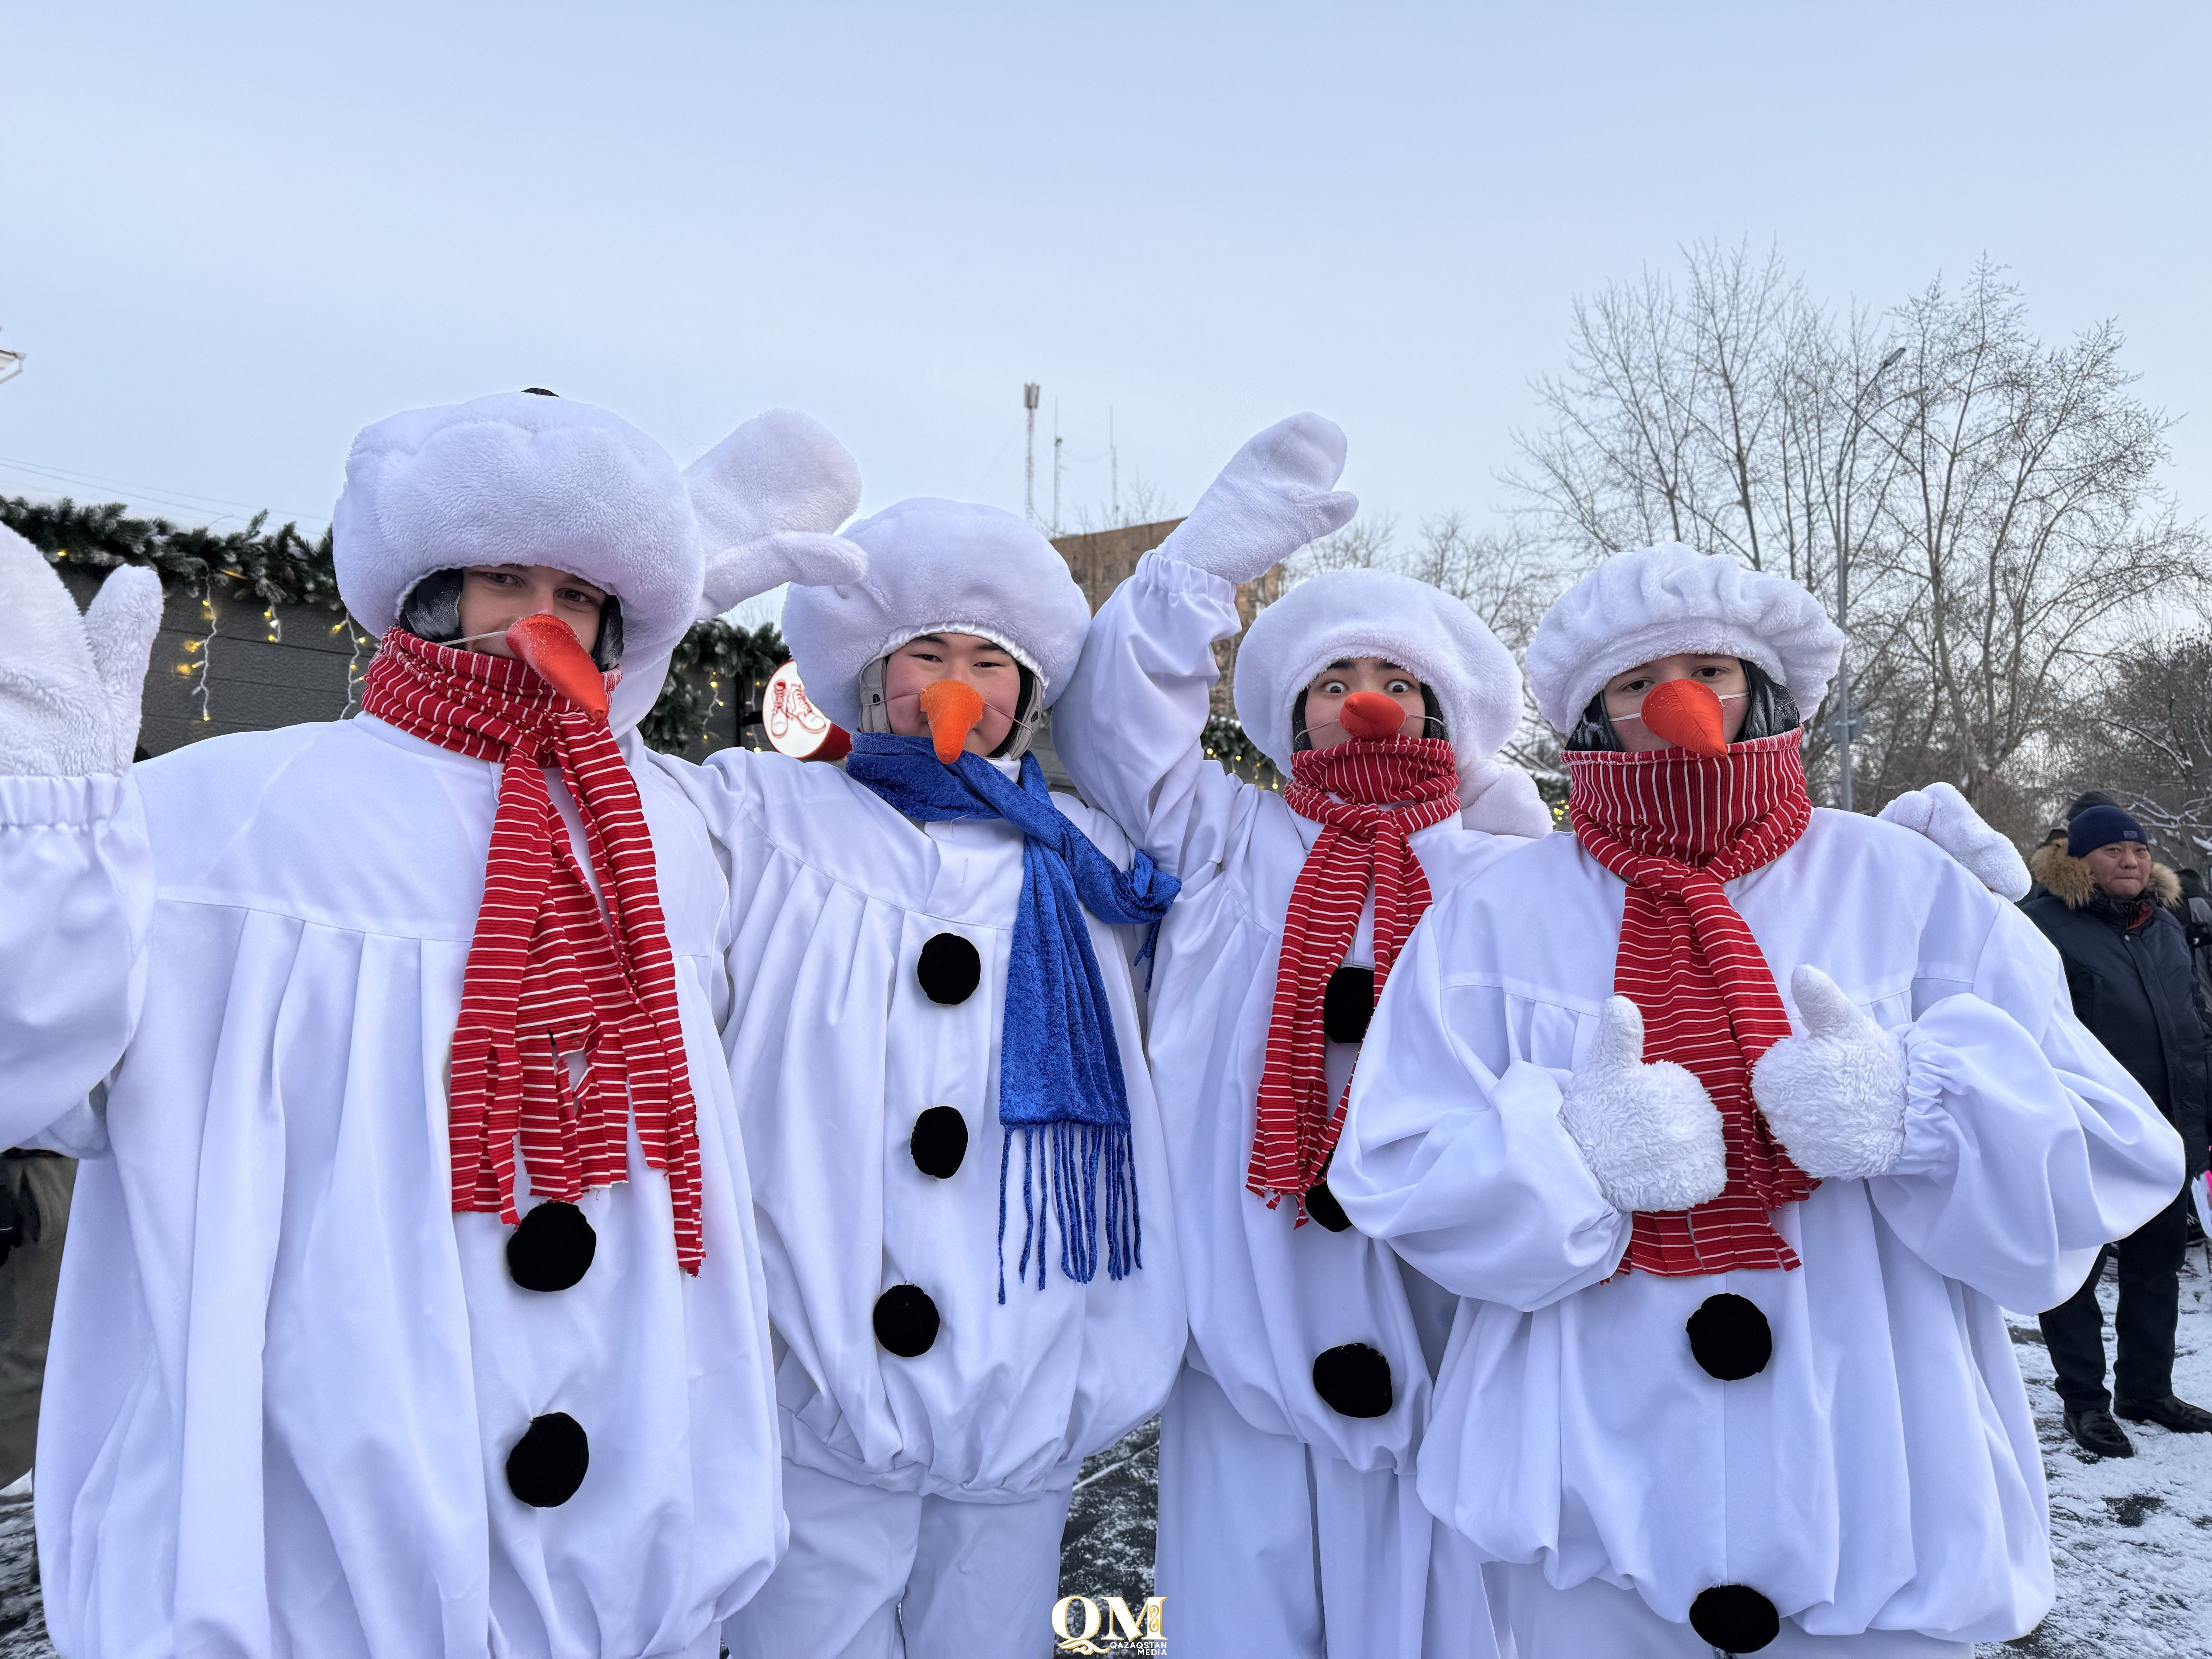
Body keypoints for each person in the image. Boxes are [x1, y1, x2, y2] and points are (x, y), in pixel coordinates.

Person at [0, 390, 866, 1656]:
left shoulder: (655, 837)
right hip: (327, 1554)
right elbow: (42, 1074)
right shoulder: (241, 811)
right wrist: (44, 876)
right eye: (503, 578)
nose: (541, 620)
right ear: (423, 590)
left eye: (577, 594)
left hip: (626, 1539)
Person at [1330, 542, 2185, 1656]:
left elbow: (2117, 1145)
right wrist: (1568, 1150)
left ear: (1764, 690)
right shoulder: (1499, 913)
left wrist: (1920, 1106)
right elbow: (1395, 1159)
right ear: (1596, 717)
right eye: (1635, 682)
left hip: (1874, 1484)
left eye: (1710, 671)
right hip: (1593, 1488)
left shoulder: (1900, 882)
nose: (1676, 702)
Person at [1053, 415, 1550, 1659]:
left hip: (1447, 1349)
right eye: (1333, 683)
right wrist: (1198, 566)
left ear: (1440, 712)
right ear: (1293, 715)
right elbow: (1117, 723)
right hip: (1247, 1351)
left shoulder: (1505, 877)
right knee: (1237, 1620)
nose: (1362, 702)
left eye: (1391, 682)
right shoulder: (1227, 833)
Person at [664, 496, 1185, 1659]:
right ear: (871, 670)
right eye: (930, 654)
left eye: (991, 659)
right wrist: (663, 591)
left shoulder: (1087, 854)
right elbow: (617, 795)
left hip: (1024, 1377)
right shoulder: (773, 813)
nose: (961, 684)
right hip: (819, 1378)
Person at [2023, 802, 2212, 1456]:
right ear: (2079, 860)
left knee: (2156, 1266)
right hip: (2086, 1136)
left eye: (2138, 850)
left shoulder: (2164, 926)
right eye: (2112, 851)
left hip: (2165, 1131)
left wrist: (2200, 1117)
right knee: (2076, 1272)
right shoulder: (2040, 928)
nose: (2130, 861)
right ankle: (2085, 1401)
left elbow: (2193, 1025)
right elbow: (2022, 1035)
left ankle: (2146, 1390)